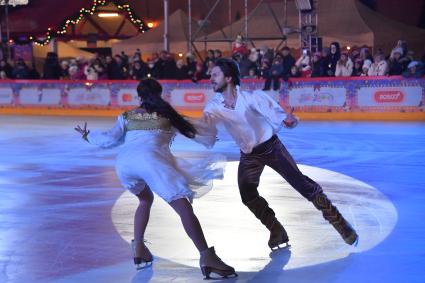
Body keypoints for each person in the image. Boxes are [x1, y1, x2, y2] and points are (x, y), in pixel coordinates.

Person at [75, 78, 237, 279]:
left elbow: (109, 139)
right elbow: (196, 131)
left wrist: (87, 136)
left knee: (145, 199)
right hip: (151, 163)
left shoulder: (127, 115)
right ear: (160, 95)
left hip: (124, 165)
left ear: (139, 97)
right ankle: (207, 257)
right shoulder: (167, 116)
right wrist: (216, 124)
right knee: (184, 207)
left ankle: (139, 248)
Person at [201, 58, 359, 250]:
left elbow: (280, 116)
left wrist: (289, 120)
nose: (210, 78)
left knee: (302, 184)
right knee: (247, 194)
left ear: (229, 78)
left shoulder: (252, 98)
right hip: (249, 154)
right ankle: (277, 230)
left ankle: (341, 224)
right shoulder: (214, 105)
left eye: (215, 74)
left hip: (271, 148)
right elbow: (205, 124)